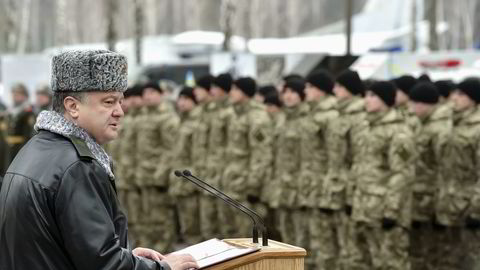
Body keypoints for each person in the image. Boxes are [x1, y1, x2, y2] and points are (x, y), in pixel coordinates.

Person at [0, 49, 198, 270]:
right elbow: (104, 264)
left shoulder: (36, 148)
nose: (119, 111)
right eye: (108, 102)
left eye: (120, 101)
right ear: (72, 106)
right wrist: (163, 268)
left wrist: (128, 257)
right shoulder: (77, 165)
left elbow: (62, 249)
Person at [352, 81, 414, 270]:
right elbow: (358, 166)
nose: (367, 100)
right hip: (365, 207)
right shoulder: (365, 128)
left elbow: (402, 173)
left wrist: (391, 211)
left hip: (385, 209)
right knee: (369, 261)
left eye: (373, 96)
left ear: (385, 100)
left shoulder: (399, 132)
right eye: (367, 95)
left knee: (392, 263)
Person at [407, 82, 452, 270]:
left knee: (436, 251)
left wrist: (442, 206)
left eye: (414, 103)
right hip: (420, 196)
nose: (411, 108)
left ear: (424, 104)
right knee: (420, 250)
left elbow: (446, 169)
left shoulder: (440, 129)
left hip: (433, 199)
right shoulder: (422, 124)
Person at [438, 77, 480, 270]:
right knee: (449, 258)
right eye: (455, 93)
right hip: (450, 202)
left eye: (461, 94)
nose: (455, 98)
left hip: (470, 204)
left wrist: (476, 209)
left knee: (472, 259)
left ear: (473, 98)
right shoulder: (452, 123)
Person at [223, 77, 272, 238]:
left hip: (246, 184)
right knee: (233, 234)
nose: (231, 93)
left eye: (235, 89)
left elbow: (261, 154)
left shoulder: (257, 117)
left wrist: (254, 185)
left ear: (245, 92)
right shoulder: (235, 115)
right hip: (234, 181)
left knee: (248, 235)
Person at [303, 71, 343, 270]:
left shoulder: (331, 116)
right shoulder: (312, 112)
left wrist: (330, 187)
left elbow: (335, 155)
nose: (306, 91)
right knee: (316, 239)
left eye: (309, 87)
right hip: (313, 184)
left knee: (328, 242)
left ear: (320, 90)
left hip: (325, 185)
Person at [136, 81, 179, 251]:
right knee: (146, 220)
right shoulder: (143, 117)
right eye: (145, 92)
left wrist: (161, 175)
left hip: (158, 177)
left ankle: (165, 254)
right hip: (143, 176)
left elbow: (171, 149)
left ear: (161, 95)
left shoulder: (167, 118)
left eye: (152, 92)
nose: (147, 96)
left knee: (161, 219)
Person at [332, 69, 367, 269]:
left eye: (339, 86)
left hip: (353, 186)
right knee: (341, 243)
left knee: (353, 246)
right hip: (338, 185)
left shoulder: (360, 117)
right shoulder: (340, 114)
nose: (335, 90)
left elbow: (359, 157)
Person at [272, 78, 309, 247]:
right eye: (285, 92)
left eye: (293, 92)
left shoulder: (308, 119)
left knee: (303, 234)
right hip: (282, 184)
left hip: (301, 184)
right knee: (285, 234)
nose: (288, 96)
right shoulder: (281, 119)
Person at [169, 87, 202, 245]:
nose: (181, 103)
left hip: (192, 181)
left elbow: (199, 155)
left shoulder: (198, 122)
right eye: (180, 99)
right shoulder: (183, 121)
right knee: (186, 227)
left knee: (195, 228)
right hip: (180, 180)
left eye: (186, 99)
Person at [5, 83, 36, 163]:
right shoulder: (10, 111)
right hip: (8, 149)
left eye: (18, 94)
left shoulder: (27, 112)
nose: (15, 96)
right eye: (14, 93)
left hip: (21, 148)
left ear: (25, 96)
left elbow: (29, 134)